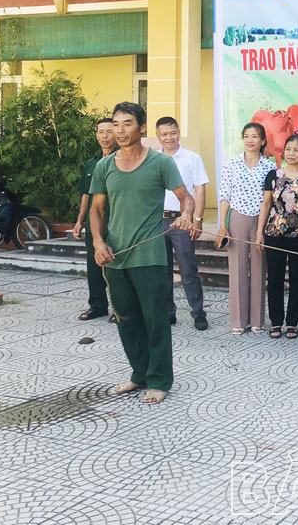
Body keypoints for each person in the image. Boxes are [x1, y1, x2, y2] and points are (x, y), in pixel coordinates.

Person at [89, 101, 194, 405]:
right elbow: (97, 209)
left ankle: (160, 380)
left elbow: (185, 198)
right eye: (116, 124)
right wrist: (98, 243)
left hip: (150, 256)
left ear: (142, 127)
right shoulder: (105, 166)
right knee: (126, 319)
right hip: (115, 257)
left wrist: (187, 216)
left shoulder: (160, 163)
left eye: (127, 124)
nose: (120, 131)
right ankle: (140, 374)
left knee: (155, 320)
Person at [255, 135, 298, 340]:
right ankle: (276, 322)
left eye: (296, 150)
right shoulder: (273, 175)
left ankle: (292, 323)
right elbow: (266, 204)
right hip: (275, 234)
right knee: (275, 278)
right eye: (288, 149)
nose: (291, 153)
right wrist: (259, 232)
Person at [215, 123, 275, 335]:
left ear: (263, 141)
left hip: (261, 220)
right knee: (237, 269)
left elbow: (269, 200)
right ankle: (238, 321)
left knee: (259, 268)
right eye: (247, 136)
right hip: (237, 218)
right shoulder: (231, 164)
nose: (250, 140)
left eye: (255, 136)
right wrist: (222, 225)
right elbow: (224, 196)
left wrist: (261, 229)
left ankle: (257, 320)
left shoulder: (270, 167)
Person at [155, 116, 209, 331]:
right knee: (162, 270)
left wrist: (198, 220)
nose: (169, 137)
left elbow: (200, 189)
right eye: (164, 134)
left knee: (188, 269)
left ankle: (198, 313)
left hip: (183, 221)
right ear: (158, 136)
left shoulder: (192, 158)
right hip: (157, 222)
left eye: (173, 133)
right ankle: (168, 313)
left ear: (179, 132)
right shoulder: (152, 159)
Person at [73, 118, 117, 321]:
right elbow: (86, 194)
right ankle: (97, 306)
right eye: (101, 132)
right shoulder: (92, 163)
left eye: (109, 131)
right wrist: (79, 221)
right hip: (94, 224)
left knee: (116, 268)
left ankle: (120, 309)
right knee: (94, 266)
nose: (105, 136)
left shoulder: (122, 160)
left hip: (117, 222)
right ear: (96, 135)